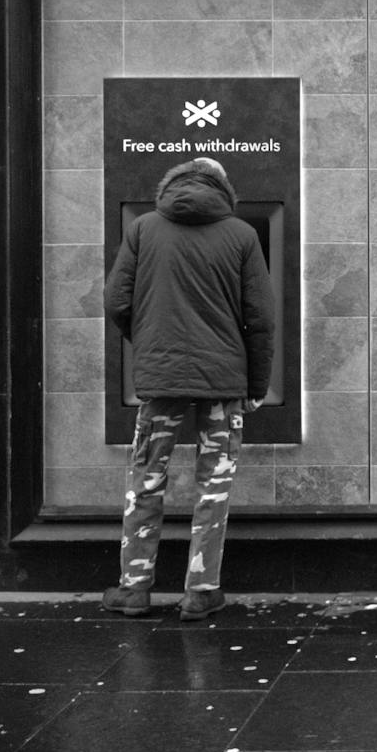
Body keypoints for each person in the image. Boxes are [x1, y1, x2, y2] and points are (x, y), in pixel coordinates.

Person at [101, 157, 274, 622]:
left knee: (146, 479)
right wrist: (256, 384)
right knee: (213, 484)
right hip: (223, 381)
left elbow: (116, 300)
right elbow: (259, 318)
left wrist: (154, 346)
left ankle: (134, 589)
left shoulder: (143, 229)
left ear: (172, 184)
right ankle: (201, 590)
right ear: (223, 188)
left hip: (160, 383)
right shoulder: (242, 235)